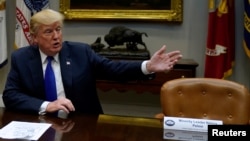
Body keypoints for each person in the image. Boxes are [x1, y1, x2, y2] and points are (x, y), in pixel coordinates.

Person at [2, 9, 182, 118]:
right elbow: (10, 95)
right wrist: (46, 106)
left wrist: (148, 66)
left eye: (58, 29)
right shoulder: (22, 58)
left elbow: (114, 69)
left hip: (81, 123)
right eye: (48, 32)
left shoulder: (80, 52)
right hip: (41, 124)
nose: (56, 36)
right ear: (34, 38)